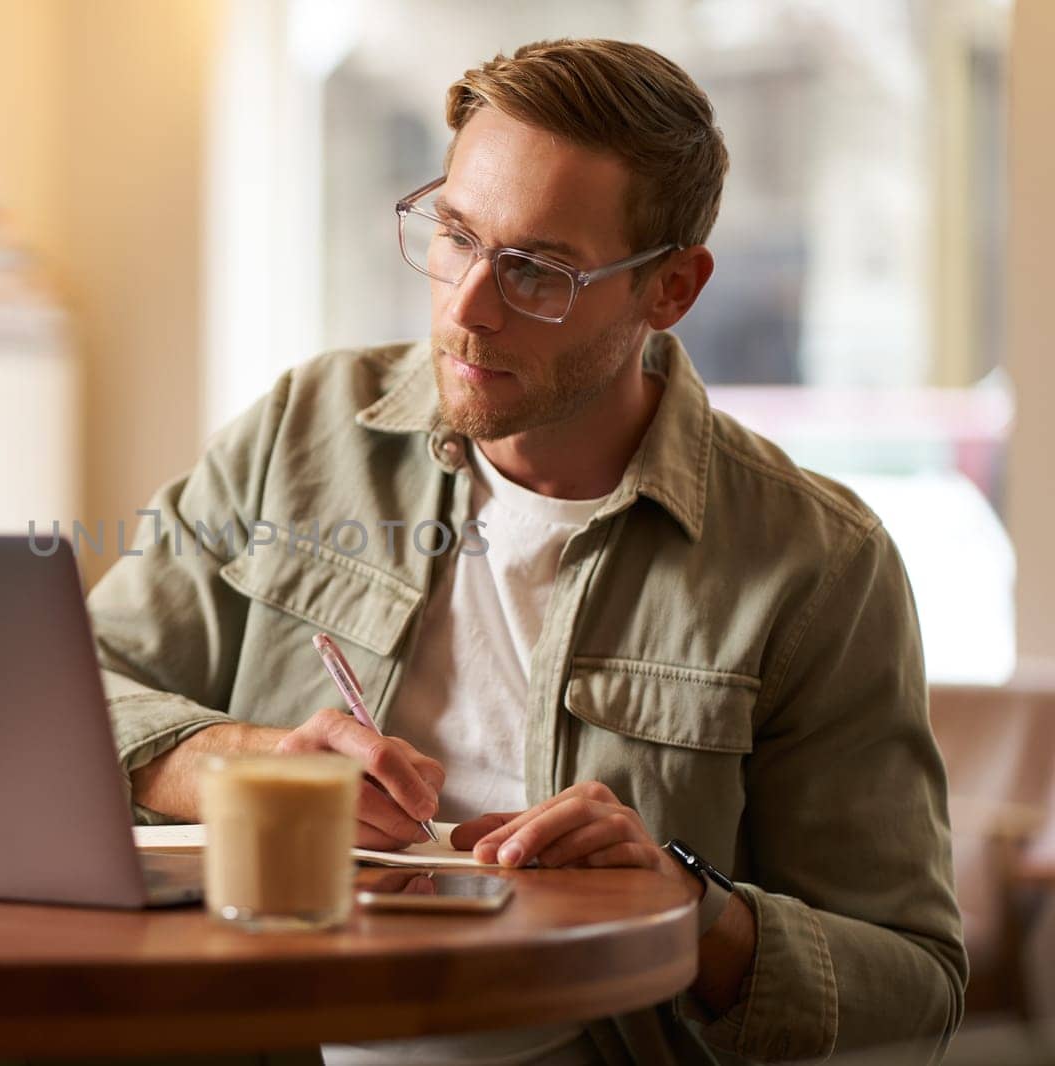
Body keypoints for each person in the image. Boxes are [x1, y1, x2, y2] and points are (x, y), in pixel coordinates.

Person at [86, 38, 966, 1065]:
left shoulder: (818, 564)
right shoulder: (299, 431)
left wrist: (689, 906)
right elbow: (68, 694)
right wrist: (251, 767)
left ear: (672, 289)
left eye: (536, 271)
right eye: (455, 236)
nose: (466, 309)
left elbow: (915, 989)